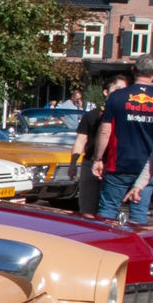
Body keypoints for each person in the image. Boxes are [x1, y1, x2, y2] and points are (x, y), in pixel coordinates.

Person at [93, 55, 153, 223]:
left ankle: (101, 245)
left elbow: (105, 130)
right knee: (138, 213)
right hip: (148, 166)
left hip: (118, 163)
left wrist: (98, 158)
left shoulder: (117, 97)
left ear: (133, 70)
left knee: (108, 209)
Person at [69, 77, 119, 216]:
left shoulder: (124, 117)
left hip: (113, 167)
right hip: (90, 163)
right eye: (115, 90)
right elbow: (81, 140)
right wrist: (73, 163)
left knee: (109, 212)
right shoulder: (91, 115)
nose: (119, 93)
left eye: (122, 90)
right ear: (105, 92)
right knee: (87, 209)